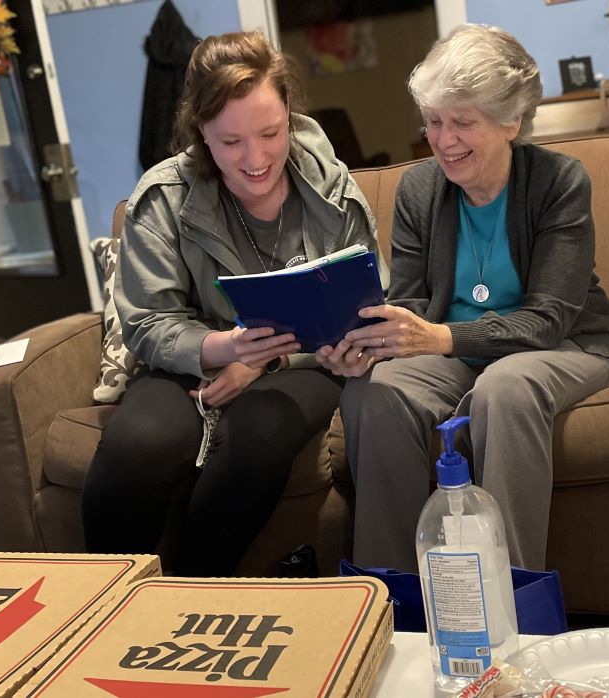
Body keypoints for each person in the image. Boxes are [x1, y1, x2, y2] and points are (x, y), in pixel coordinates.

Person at [317, 24, 609, 572]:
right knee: (374, 391)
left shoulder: (559, 182)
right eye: (435, 121)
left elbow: (548, 318)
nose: (444, 140)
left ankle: (511, 599)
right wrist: (367, 343)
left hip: (570, 344)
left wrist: (442, 337)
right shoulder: (421, 189)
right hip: (458, 355)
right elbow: (414, 303)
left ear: (510, 121)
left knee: (506, 388)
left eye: (463, 122)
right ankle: (390, 604)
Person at [82, 31, 383, 575]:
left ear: (289, 111)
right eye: (230, 142)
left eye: (271, 133)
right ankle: (106, 608)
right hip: (195, 358)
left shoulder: (333, 192)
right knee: (136, 447)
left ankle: (193, 592)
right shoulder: (163, 197)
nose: (256, 159)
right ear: (200, 132)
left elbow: (365, 311)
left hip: (302, 361)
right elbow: (148, 322)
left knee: (261, 434)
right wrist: (227, 347)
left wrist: (263, 359)